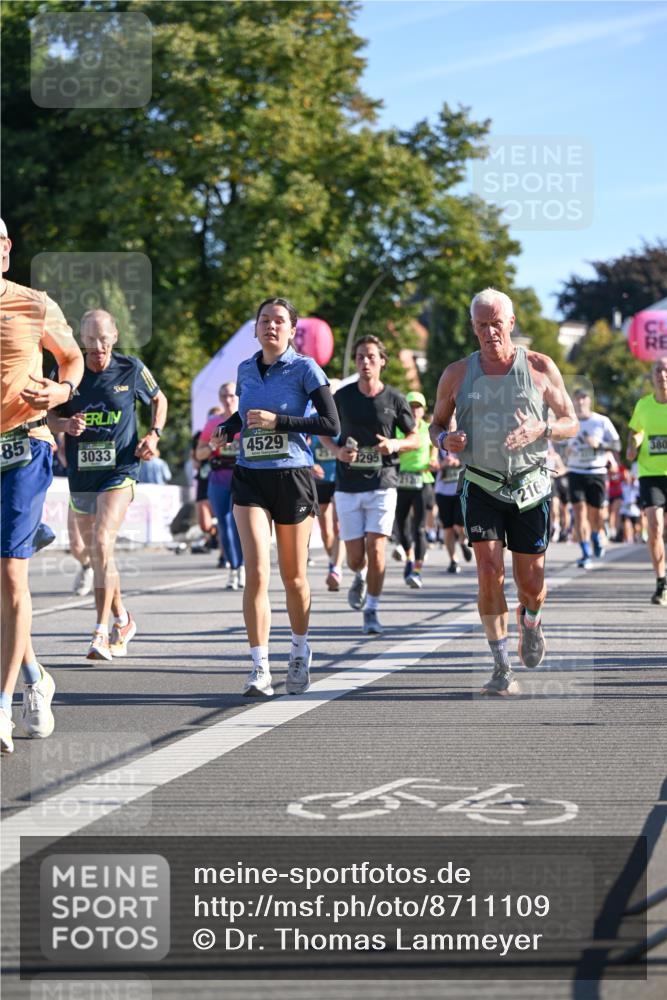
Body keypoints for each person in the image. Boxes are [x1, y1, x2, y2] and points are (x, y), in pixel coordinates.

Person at [429, 288, 578, 696]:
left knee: (531, 582)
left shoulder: (539, 367)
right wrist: (446, 441)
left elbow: (571, 422)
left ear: (511, 323)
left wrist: (541, 429)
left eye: (497, 323)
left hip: (530, 485)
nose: (490, 332)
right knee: (488, 571)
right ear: (473, 327)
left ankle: (530, 619)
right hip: (481, 483)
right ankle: (500, 665)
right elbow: (436, 424)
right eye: (482, 325)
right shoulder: (457, 373)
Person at [209, 297, 339, 696]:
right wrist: (229, 427)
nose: (270, 326)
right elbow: (247, 413)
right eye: (264, 319)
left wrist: (279, 421)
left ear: (291, 329)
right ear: (256, 328)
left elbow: (331, 423)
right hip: (250, 478)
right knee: (257, 572)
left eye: (278, 320)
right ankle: (259, 666)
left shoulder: (305, 368)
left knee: (294, 577)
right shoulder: (246, 369)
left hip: (292, 478)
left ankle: (299, 649)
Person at [1, 217, 84, 754]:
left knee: (11, 572)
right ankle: (35, 675)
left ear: (5, 249)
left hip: (23, 445)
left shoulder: (34, 303)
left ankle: (2, 705)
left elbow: (71, 358)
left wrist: (61, 391)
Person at [47, 309, 167, 660]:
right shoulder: (67, 370)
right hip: (83, 475)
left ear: (115, 335)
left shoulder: (131, 369)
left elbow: (159, 399)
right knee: (95, 553)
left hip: (121, 470)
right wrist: (65, 425)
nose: (97, 346)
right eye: (90, 339)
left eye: (103, 338)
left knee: (101, 541)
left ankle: (100, 633)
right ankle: (123, 619)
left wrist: (154, 435)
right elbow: (48, 416)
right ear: (80, 339)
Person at [319, 335, 419, 634]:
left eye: (371, 357)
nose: (365, 362)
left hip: (383, 483)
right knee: (354, 558)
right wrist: (337, 451)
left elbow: (416, 438)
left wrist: (395, 444)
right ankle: (359, 575)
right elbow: (323, 429)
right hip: (348, 485)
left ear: (382, 362)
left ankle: (372, 609)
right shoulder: (343, 397)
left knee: (377, 551)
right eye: (361, 356)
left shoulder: (395, 399)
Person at [196, 382, 245, 589]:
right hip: (218, 478)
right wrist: (212, 445)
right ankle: (233, 568)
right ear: (219, 398)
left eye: (232, 395)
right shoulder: (213, 423)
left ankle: (242, 567)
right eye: (224, 396)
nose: (228, 400)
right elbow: (198, 455)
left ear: (239, 397)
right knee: (223, 526)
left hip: (242, 478)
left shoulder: (246, 419)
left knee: (238, 525)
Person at [566, 388, 621, 568]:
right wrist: (564, 451)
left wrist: (599, 444)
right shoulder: (568, 422)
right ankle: (585, 553)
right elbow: (555, 445)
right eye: (577, 398)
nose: (580, 402)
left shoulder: (601, 421)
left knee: (595, 515)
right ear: (573, 401)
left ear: (589, 400)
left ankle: (597, 535)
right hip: (575, 471)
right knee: (579, 513)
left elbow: (617, 443)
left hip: (596, 472)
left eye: (583, 398)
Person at [627, 357, 667, 605]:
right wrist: (633, 445)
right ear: (652, 376)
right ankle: (661, 581)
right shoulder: (643, 405)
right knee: (654, 527)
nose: (662, 374)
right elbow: (636, 432)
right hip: (650, 474)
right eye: (658, 370)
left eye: (666, 370)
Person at [394, 391, 438, 589]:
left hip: (422, 480)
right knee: (402, 527)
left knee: (419, 527)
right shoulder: (397, 428)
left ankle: (417, 570)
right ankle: (410, 558)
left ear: (423, 410)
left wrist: (433, 460)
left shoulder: (429, 429)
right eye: (410, 406)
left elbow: (434, 451)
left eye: (417, 406)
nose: (414, 410)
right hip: (401, 481)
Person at [434, 435, 472, 575]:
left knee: (459, 525)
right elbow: (431, 464)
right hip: (442, 491)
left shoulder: (464, 439)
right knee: (448, 528)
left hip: (460, 490)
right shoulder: (437, 443)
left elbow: (473, 461)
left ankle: (462, 542)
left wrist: (458, 462)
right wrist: (442, 464)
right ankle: (453, 560)